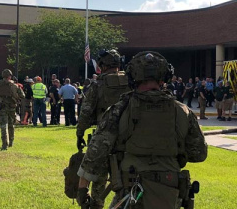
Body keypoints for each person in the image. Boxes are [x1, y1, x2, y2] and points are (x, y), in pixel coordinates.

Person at [76, 51, 208, 209]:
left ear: (133, 77)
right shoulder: (183, 111)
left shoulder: (119, 110)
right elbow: (199, 153)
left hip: (131, 192)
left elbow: (95, 154)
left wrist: (82, 190)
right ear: (164, 77)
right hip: (170, 193)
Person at [76, 49, 130, 209]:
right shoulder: (132, 82)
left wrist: (80, 134)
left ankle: (97, 203)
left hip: (104, 137)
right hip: (129, 138)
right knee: (127, 179)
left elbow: (86, 112)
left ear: (102, 66)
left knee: (98, 177)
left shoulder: (98, 84)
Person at [0, 69, 24, 150]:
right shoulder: (15, 86)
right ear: (10, 76)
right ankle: (11, 141)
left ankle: (4, 144)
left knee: (3, 125)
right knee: (11, 125)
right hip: (12, 107)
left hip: (2, 107)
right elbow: (22, 95)